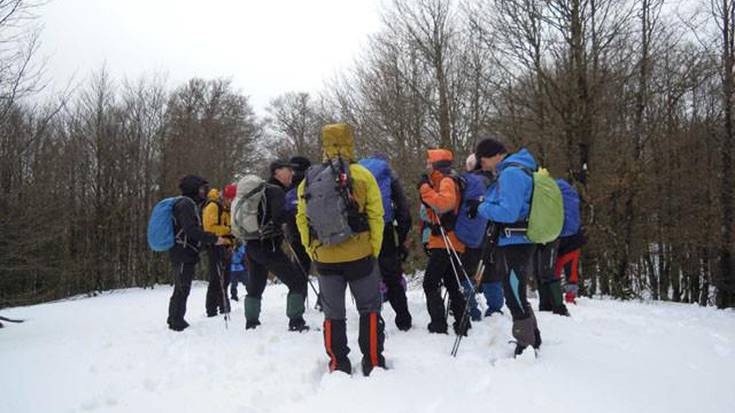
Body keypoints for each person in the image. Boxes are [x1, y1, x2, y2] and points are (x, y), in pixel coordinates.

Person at [296, 123, 386, 376]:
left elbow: (302, 219)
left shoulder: (310, 179)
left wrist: (311, 249)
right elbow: (376, 216)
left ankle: (338, 363)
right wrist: (373, 249)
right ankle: (372, 362)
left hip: (324, 257)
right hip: (360, 254)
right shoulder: (363, 175)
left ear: (324, 144)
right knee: (369, 307)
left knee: (333, 313)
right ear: (350, 141)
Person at [476, 138, 542, 356]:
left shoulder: (511, 174)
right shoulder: (513, 170)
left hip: (516, 241)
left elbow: (509, 212)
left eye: (483, 158)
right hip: (515, 240)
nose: (481, 163)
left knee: (513, 293)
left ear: (496, 155)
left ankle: (526, 346)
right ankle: (533, 336)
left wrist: (482, 208)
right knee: (516, 291)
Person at [243, 160, 309, 332]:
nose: (292, 174)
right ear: (277, 172)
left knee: (256, 284)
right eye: (288, 170)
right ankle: (296, 321)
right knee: (296, 281)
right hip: (269, 245)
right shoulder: (276, 191)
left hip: (251, 243)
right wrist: (295, 212)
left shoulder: (260, 190)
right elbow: (280, 215)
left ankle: (251, 322)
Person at [418, 148, 470, 336]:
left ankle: (439, 325)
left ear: (437, 164)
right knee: (451, 282)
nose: (426, 165)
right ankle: (463, 322)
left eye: (429, 162)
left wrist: (424, 189)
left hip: (445, 241)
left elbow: (444, 204)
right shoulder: (448, 179)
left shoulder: (446, 180)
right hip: (451, 240)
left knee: (430, 283)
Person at [359, 153, 413, 331]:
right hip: (384, 226)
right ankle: (403, 320)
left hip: (359, 229)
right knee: (392, 275)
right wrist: (402, 236)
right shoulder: (388, 173)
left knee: (365, 275)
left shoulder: (356, 172)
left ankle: (372, 320)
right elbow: (402, 207)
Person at [167, 175, 227, 331]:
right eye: (201, 188)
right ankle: (176, 320)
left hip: (185, 250)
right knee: (182, 286)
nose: (204, 192)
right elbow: (191, 230)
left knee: (182, 285)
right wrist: (213, 239)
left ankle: (175, 317)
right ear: (193, 188)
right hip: (182, 251)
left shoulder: (189, 204)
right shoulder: (186, 205)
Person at [466, 153, 505, 317]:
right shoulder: (498, 181)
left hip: (472, 234)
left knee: (466, 271)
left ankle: (470, 308)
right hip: (493, 232)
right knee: (491, 271)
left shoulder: (468, 182)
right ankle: (495, 308)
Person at [203, 185, 236, 317]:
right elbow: (209, 228)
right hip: (215, 246)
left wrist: (231, 242)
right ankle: (211, 309)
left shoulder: (227, 208)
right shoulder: (213, 206)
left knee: (226, 278)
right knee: (216, 278)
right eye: (232, 200)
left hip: (226, 246)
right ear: (226, 197)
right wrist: (228, 230)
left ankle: (224, 305)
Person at [555, 178, 586, 305]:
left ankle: (554, 295)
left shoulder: (552, 195)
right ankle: (571, 296)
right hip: (574, 239)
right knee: (571, 270)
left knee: (554, 269)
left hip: (556, 236)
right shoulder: (572, 195)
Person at [285, 156, 313, 274]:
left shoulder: (288, 187)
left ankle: (300, 291)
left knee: (300, 269)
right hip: (315, 231)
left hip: (294, 233)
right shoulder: (312, 183)